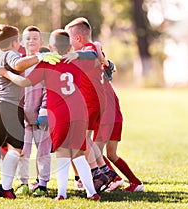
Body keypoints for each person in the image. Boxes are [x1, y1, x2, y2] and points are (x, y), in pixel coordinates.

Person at [0, 24, 62, 199]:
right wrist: (39, 56)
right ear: (15, 42)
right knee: (15, 148)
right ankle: (5, 187)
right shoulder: (11, 54)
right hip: (10, 106)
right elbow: (18, 64)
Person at [0, 29, 100, 201]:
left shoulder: (47, 63)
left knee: (62, 153)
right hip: (78, 112)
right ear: (69, 47)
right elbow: (95, 55)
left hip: (59, 113)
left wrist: (5, 73)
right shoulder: (76, 61)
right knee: (78, 153)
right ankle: (91, 192)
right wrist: (77, 55)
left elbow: (24, 82)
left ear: (51, 47)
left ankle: (61, 193)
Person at [64, 17, 118, 192]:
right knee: (86, 138)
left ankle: (97, 172)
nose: (69, 44)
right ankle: (104, 171)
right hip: (96, 102)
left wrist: (74, 55)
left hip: (90, 102)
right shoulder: (94, 47)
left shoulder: (88, 50)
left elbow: (92, 55)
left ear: (78, 38)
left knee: (80, 138)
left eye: (69, 39)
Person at [92, 44, 144, 192]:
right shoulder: (98, 71)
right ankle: (132, 181)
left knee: (95, 152)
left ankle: (116, 178)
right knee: (110, 154)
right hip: (113, 117)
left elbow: (110, 66)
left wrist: (104, 60)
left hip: (107, 118)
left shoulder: (98, 72)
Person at [15, 26, 52, 197]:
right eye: (28, 38)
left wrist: (44, 109)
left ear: (41, 42)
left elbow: (48, 90)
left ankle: (42, 184)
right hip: (22, 117)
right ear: (22, 42)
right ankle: (23, 182)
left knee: (43, 152)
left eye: (35, 38)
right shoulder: (19, 64)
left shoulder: (45, 63)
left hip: (40, 116)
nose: (31, 41)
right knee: (23, 151)